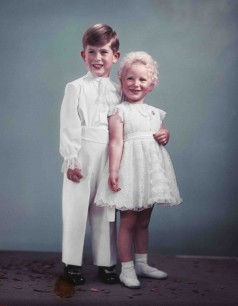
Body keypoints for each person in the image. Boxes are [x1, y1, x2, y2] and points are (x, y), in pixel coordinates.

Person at [95, 51, 182, 289]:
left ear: (151, 85)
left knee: (144, 221)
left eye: (142, 80)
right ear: (121, 80)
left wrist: (166, 134)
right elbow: (115, 142)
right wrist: (114, 172)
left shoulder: (155, 112)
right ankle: (127, 268)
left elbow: (160, 135)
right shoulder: (118, 111)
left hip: (150, 173)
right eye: (130, 79)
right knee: (129, 222)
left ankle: (142, 263)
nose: (136, 84)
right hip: (129, 171)